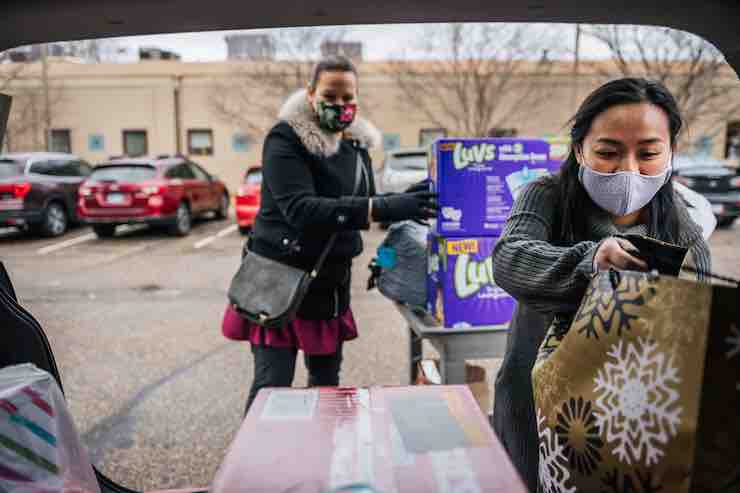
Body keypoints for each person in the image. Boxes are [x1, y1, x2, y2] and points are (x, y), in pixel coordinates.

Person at [490, 77, 712, 491]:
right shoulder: (547, 194)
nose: (629, 170)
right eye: (608, 152)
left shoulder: (678, 218)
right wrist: (589, 261)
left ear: (670, 154)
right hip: (535, 401)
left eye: (648, 153)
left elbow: (700, 303)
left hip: (634, 409)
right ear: (579, 149)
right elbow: (509, 258)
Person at [240, 55, 436, 413]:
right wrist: (385, 207)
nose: (340, 105)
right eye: (330, 95)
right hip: (278, 280)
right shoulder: (285, 139)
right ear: (311, 93)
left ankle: (322, 459)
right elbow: (300, 208)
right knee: (272, 386)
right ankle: (257, 466)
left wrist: (408, 199)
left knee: (327, 387)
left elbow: (363, 202)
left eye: (348, 97)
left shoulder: (357, 146)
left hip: (329, 285)